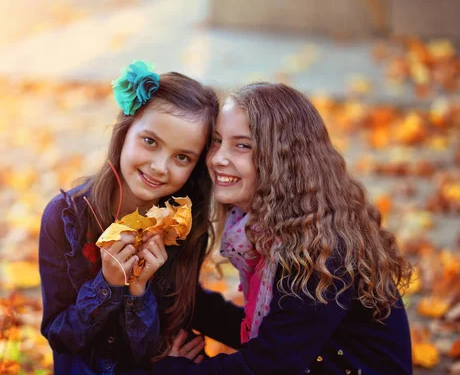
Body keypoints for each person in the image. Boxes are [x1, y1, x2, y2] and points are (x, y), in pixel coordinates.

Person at [151, 82, 414, 375]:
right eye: (216, 141)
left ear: (283, 160)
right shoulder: (278, 228)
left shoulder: (321, 252)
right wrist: (178, 297)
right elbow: (279, 336)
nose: (217, 158)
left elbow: (268, 366)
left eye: (242, 145)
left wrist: (168, 369)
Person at [38, 61, 243, 375]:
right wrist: (107, 284)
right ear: (125, 130)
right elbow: (60, 336)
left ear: (197, 165)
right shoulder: (67, 217)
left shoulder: (182, 226)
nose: (160, 167)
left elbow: (152, 342)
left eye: (182, 157)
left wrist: (138, 292)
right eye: (150, 142)